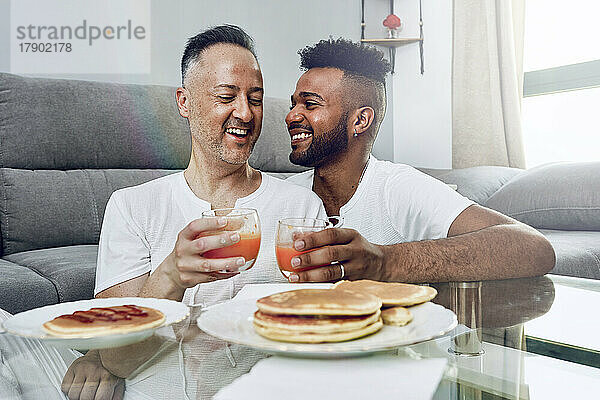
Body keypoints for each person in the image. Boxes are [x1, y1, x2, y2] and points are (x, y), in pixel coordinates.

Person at [55, 25, 325, 399]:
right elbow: (117, 360)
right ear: (184, 102)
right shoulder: (133, 207)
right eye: (226, 96)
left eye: (256, 98)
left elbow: (317, 338)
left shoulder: (300, 209)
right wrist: (170, 277)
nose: (244, 113)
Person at [284, 38, 555, 284]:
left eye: (310, 104)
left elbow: (534, 247)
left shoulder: (398, 188)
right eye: (293, 104)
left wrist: (384, 263)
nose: (291, 116)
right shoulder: (286, 194)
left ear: (360, 120)